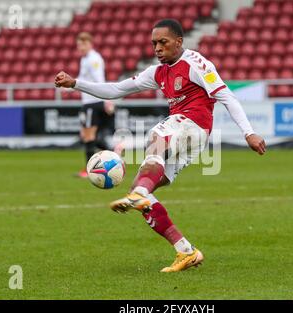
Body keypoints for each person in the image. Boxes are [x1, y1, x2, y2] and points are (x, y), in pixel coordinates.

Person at [55, 19, 266, 272]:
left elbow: (226, 96)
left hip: (193, 124)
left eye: (163, 42)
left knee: (156, 134)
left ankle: (140, 195)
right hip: (188, 139)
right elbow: (116, 89)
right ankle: (185, 251)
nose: (157, 48)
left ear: (179, 41)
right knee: (142, 189)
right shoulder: (157, 72)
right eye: (154, 43)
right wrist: (75, 83)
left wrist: (249, 133)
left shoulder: (196, 64)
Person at [75, 32, 116, 178]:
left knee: (88, 136)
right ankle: (114, 152)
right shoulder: (85, 59)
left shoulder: (93, 59)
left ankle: (89, 170)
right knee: (88, 136)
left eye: (83, 44)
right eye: (79, 44)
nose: (80, 47)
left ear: (90, 44)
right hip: (89, 101)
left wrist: (107, 99)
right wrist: (70, 85)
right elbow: (82, 78)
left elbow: (99, 79)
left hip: (93, 101)